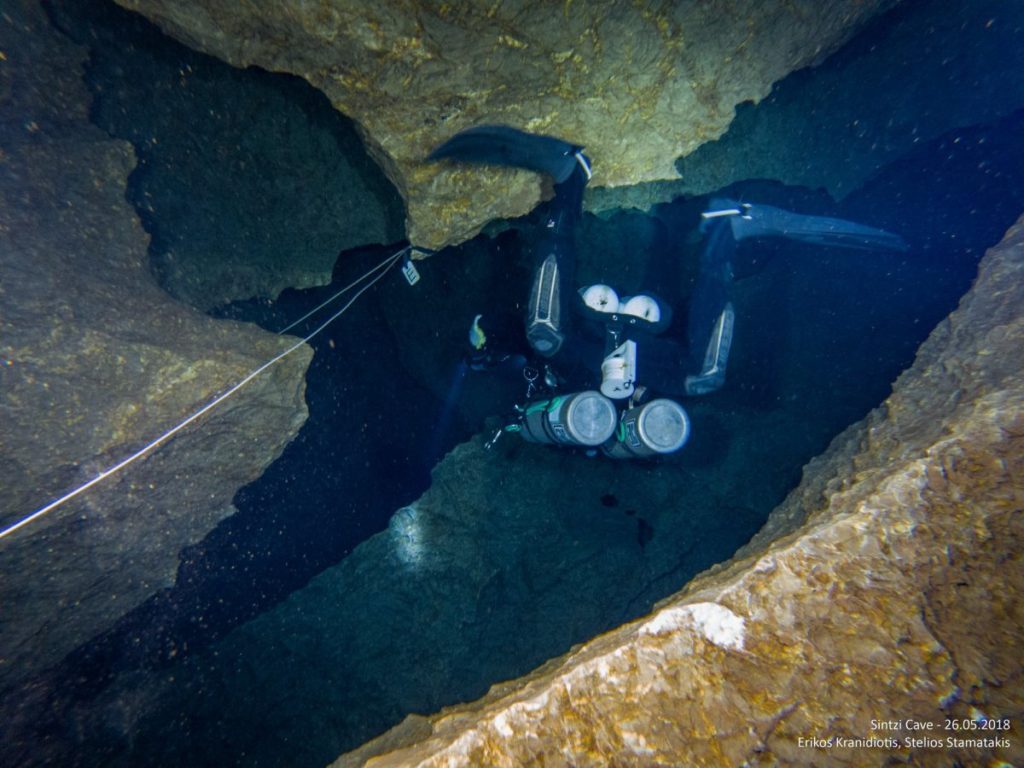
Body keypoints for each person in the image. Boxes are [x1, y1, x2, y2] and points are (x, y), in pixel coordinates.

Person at [428, 125, 907, 456]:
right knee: (559, 336)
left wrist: (486, 346)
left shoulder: (571, 375)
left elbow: (511, 337)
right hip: (626, 337)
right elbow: (513, 335)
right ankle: (717, 229)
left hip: (618, 334)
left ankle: (705, 231)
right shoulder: (564, 373)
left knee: (675, 363)